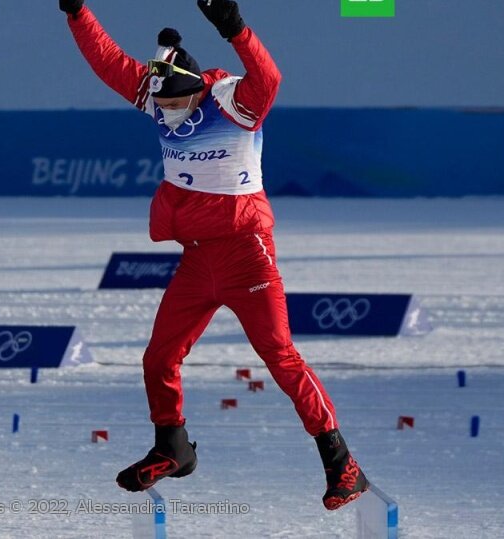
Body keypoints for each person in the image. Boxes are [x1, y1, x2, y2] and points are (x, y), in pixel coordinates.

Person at [58, 0, 369, 509]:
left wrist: (235, 28)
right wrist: (77, 13)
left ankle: (342, 463)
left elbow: (269, 78)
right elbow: (108, 60)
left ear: (196, 89)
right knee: (160, 357)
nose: (168, 114)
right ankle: (173, 447)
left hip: (248, 255)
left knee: (280, 356)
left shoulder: (233, 104)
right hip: (198, 258)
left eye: (177, 104)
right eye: (162, 106)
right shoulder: (161, 94)